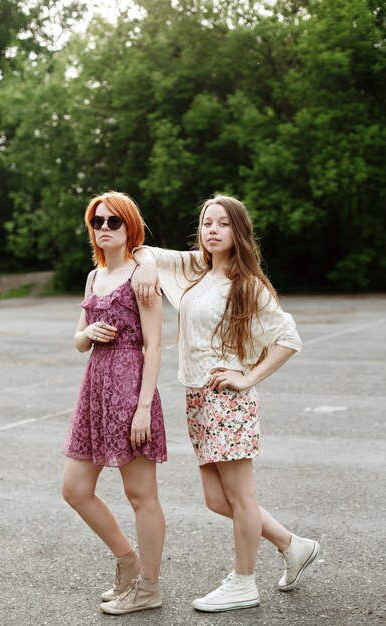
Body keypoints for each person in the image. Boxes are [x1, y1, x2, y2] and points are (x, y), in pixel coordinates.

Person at [133, 194, 319, 613]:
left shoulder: (246, 284)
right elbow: (145, 252)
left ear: (238, 232)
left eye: (222, 224)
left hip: (228, 401)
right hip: (197, 398)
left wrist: (247, 376)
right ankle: (293, 545)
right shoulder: (196, 269)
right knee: (218, 500)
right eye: (206, 223)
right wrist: (145, 264)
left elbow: (289, 338)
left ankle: (244, 582)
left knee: (241, 497)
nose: (212, 230)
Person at [61, 191, 166, 616]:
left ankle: (149, 588)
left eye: (112, 222)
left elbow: (156, 344)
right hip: (95, 389)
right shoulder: (93, 277)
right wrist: (91, 334)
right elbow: (77, 341)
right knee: (74, 488)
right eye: (97, 222)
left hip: (130, 388)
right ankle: (128, 562)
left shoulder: (142, 273)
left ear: (129, 227)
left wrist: (142, 408)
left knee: (140, 495)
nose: (104, 229)